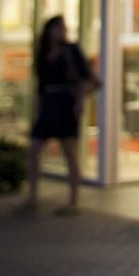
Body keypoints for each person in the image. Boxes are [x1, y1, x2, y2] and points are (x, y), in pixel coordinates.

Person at [23, 15, 100, 215]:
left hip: (65, 101)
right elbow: (40, 84)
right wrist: (37, 108)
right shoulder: (44, 53)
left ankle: (73, 200)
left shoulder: (70, 50)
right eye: (58, 28)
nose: (61, 31)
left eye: (63, 28)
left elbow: (84, 78)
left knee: (69, 151)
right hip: (49, 102)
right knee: (34, 147)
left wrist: (79, 103)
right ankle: (33, 196)